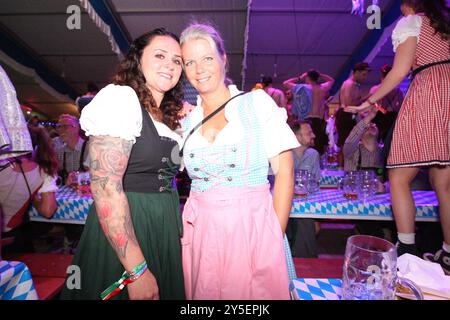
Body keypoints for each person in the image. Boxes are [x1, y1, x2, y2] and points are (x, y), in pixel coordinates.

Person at [60, 28, 185, 299]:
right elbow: (106, 188)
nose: (170, 65)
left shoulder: (167, 118)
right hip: (130, 226)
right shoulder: (120, 99)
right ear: (138, 60)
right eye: (160, 55)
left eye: (177, 60)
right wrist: (136, 269)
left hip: (162, 226)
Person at [179, 23, 299, 299]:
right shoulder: (186, 119)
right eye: (190, 62)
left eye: (207, 58)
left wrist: (273, 238)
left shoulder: (256, 104)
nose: (199, 69)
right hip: (201, 234)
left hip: (253, 229)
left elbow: (284, 173)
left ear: (223, 59)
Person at [345, 0, 449, 274]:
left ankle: (406, 251)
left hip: (429, 95)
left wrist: (369, 101)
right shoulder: (444, 26)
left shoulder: (411, 22)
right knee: (445, 184)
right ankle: (448, 255)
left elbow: (400, 71)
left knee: (399, 176)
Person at [287, 120, 321, 258]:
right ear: (297, 136)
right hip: (284, 205)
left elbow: (316, 184)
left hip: (304, 205)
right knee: (305, 223)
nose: (313, 135)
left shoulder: (313, 155)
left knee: (306, 220)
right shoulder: (283, 154)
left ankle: (302, 261)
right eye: (308, 133)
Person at [369, 64, 404, 142]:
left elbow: (371, 105)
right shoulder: (397, 90)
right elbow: (401, 106)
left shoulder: (375, 89)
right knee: (388, 141)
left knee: (375, 141)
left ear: (381, 75)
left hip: (378, 117)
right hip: (391, 117)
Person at [52, 114, 89, 185]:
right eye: (59, 127)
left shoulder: (90, 148)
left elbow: (99, 174)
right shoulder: (60, 151)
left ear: (77, 128)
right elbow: (56, 174)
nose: (61, 130)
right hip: (69, 194)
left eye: (65, 126)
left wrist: (78, 177)